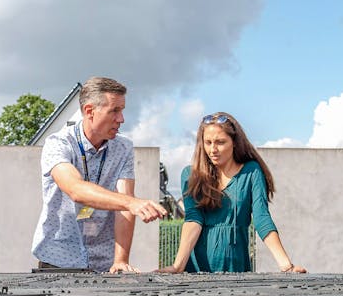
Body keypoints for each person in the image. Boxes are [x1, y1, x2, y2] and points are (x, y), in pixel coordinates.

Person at [31, 76, 166, 273]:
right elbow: (75, 189)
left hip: (104, 262)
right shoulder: (58, 144)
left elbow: (124, 208)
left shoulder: (124, 147)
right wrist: (131, 202)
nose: (121, 119)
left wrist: (120, 260)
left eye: (122, 110)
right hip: (58, 260)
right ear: (89, 111)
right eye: (114, 111)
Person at [157, 112, 305, 273]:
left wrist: (286, 266)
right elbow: (193, 220)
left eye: (220, 142)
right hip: (196, 270)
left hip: (237, 269)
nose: (213, 149)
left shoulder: (251, 172)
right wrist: (177, 266)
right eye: (207, 142)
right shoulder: (191, 175)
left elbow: (262, 218)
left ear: (234, 142)